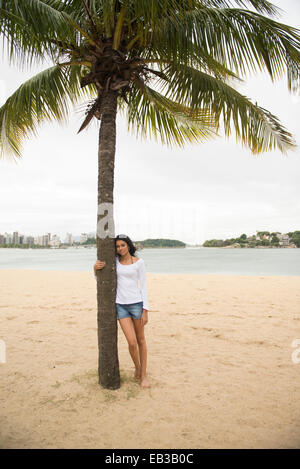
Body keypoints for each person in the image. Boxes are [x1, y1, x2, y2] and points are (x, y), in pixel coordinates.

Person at [94, 234, 150, 389]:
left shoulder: (139, 263)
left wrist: (146, 309)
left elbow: (144, 286)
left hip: (137, 305)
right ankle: (137, 368)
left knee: (141, 341)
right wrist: (95, 269)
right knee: (132, 342)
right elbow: (103, 280)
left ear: (128, 246)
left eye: (123, 245)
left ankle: (143, 375)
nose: (120, 248)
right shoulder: (115, 263)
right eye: (117, 246)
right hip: (121, 306)